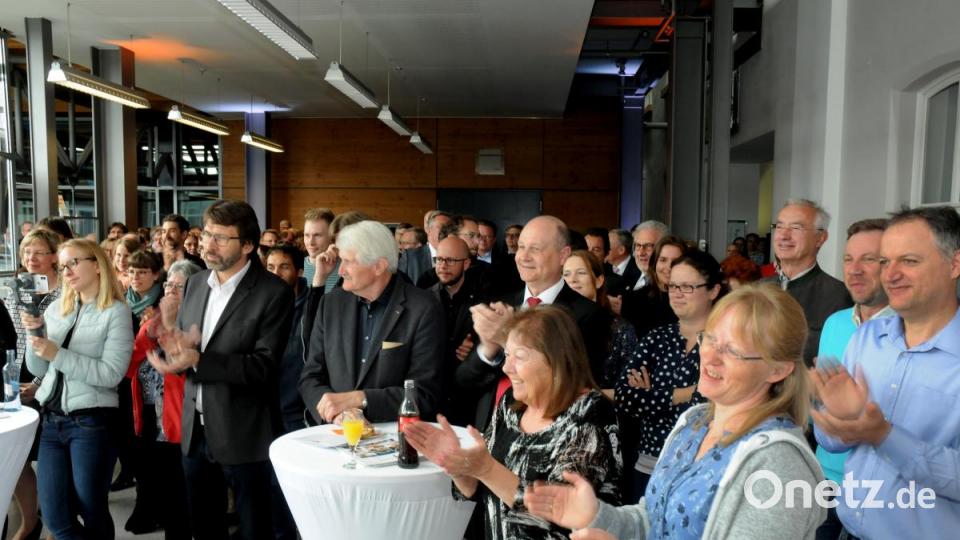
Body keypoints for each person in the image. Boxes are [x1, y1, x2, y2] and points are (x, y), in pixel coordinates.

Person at [525, 284, 826, 539]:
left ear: (777, 369)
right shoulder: (693, 423)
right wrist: (598, 516)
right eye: (710, 338)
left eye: (733, 350)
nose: (711, 357)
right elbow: (650, 520)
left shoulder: (781, 465)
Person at [404, 306, 622, 540]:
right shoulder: (511, 405)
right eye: (506, 355)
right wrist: (458, 465)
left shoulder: (591, 414)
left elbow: (560, 517)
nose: (507, 368)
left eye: (519, 357)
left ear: (556, 360)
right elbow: (477, 489)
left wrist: (485, 468)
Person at [811, 206, 960, 540]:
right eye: (885, 262)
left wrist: (884, 436)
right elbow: (829, 441)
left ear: (954, 264)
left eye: (909, 261)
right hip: (847, 529)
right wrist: (842, 423)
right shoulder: (866, 338)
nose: (889, 275)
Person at [149, 199, 294, 540]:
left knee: (254, 528)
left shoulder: (273, 293)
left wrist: (198, 359)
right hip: (195, 430)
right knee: (204, 527)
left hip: (244, 434)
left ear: (247, 245)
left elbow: (263, 367)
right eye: (207, 234)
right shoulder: (197, 283)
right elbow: (189, 346)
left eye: (220, 238)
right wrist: (175, 348)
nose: (208, 244)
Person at [22, 239, 134, 540]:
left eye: (74, 262)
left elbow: (111, 374)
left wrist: (56, 352)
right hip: (51, 420)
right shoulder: (60, 306)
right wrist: (35, 334)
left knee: (92, 508)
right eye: (63, 265)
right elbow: (39, 369)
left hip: (91, 422)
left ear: (97, 265)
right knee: (54, 514)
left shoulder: (116, 312)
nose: (67, 270)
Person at [455, 216, 611, 431]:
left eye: (535, 249)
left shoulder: (588, 315)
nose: (523, 257)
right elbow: (464, 381)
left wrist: (505, 340)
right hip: (492, 430)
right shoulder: (501, 304)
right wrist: (490, 348)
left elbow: (574, 385)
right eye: (521, 247)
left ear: (563, 255)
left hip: (549, 435)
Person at [299, 220, 445, 424]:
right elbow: (310, 376)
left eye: (348, 262)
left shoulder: (423, 308)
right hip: (334, 435)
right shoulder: (331, 303)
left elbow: (424, 392)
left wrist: (361, 399)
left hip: (396, 438)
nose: (340, 271)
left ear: (379, 266)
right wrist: (336, 413)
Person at [616, 251, 725, 502]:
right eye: (673, 285)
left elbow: (708, 404)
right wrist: (684, 393)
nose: (676, 293)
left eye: (687, 287)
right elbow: (624, 397)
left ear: (713, 290)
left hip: (703, 466)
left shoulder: (724, 343)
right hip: (648, 464)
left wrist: (650, 395)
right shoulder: (657, 338)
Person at [812, 218, 894, 540]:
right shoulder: (834, 323)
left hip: (879, 489)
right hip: (824, 480)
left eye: (869, 259)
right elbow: (821, 401)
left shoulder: (911, 333)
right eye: (848, 259)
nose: (854, 269)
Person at [127, 259, 201, 540]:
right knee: (160, 485)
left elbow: (180, 363)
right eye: (168, 283)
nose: (170, 290)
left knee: (180, 492)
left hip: (180, 420)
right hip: (148, 415)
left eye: (178, 286)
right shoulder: (154, 319)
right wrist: (157, 322)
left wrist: (167, 322)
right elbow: (133, 360)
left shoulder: (198, 319)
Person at [2, 228, 62, 540]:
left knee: (54, 463)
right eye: (27, 252)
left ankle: (56, 524)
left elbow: (63, 345)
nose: (31, 258)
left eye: (39, 252)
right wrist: (13, 381)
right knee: (17, 457)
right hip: (18, 377)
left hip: (54, 380)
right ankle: (31, 521)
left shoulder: (67, 292)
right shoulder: (17, 288)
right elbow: (12, 340)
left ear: (55, 256)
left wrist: (39, 382)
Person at [764, 199, 851, 365]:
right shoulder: (758, 289)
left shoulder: (839, 297)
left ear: (821, 238)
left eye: (796, 228)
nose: (783, 235)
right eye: (780, 226)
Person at [429, 236, 488, 426]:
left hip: (468, 398)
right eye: (439, 259)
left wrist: (475, 351)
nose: (443, 265)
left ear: (467, 263)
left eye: (451, 260)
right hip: (432, 394)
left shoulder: (483, 302)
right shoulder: (422, 299)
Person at [561, 250, 637, 391]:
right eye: (566, 274)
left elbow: (628, 387)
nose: (572, 279)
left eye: (581, 273)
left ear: (599, 280)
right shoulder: (556, 323)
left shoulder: (621, 329)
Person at [620, 235, 688, 338]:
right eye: (663, 260)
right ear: (654, 262)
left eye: (676, 262)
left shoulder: (691, 300)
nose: (668, 267)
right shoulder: (633, 300)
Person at [397, 210, 453, 284]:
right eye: (442, 227)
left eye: (450, 228)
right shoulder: (411, 257)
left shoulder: (458, 258)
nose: (446, 231)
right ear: (429, 230)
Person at [629, 220, 669, 290]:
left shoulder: (670, 284)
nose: (641, 253)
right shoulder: (628, 278)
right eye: (638, 245)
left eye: (648, 246)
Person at [302, 208, 335, 286]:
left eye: (317, 235)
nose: (311, 242)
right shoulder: (297, 267)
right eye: (307, 235)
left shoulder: (344, 269)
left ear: (331, 236)